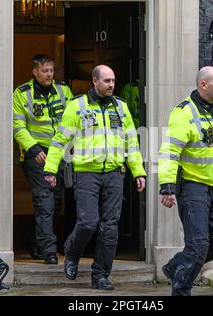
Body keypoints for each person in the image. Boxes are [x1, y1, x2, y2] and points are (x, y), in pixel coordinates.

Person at [43, 65, 146, 290]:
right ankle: (72, 251)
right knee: (88, 222)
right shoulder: (76, 107)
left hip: (115, 172)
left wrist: (138, 172)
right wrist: (51, 170)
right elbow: (60, 140)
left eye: (113, 80)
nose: (111, 84)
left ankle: (100, 275)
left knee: (110, 227)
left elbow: (132, 143)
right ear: (94, 81)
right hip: (86, 172)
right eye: (107, 80)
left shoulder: (121, 107)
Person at [158, 66, 213, 296]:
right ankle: (181, 290)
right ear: (203, 85)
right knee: (198, 246)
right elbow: (170, 152)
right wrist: (168, 187)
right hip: (192, 187)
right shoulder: (183, 113)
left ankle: (175, 266)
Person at [13, 54, 74, 264]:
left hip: (59, 154)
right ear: (35, 72)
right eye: (45, 71)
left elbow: (73, 118)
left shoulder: (63, 90)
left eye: (51, 70)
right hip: (36, 156)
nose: (50, 74)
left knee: (55, 204)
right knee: (44, 201)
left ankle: (33, 241)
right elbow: (18, 126)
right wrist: (34, 148)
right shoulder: (22, 94)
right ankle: (49, 251)